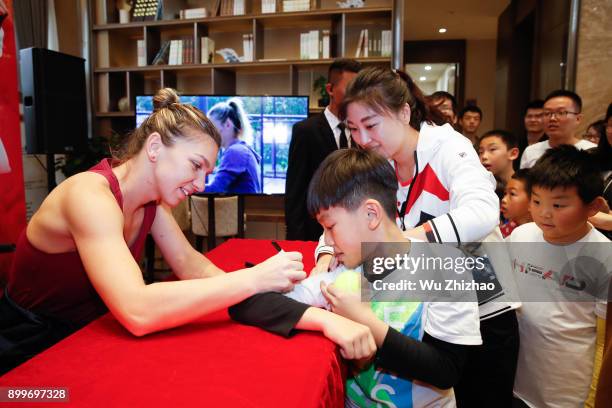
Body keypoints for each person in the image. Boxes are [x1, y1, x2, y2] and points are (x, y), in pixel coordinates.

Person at [0, 88, 311, 374]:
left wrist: (269, 294)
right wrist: (253, 278)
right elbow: (138, 310)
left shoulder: (153, 203)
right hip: (30, 345)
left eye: (207, 173)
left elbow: (193, 265)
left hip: (87, 333)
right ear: (154, 147)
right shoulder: (88, 196)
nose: (202, 184)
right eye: (195, 165)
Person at [311, 67, 519, 407]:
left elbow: (483, 210)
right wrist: (324, 258)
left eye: (371, 125)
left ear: (404, 112)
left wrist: (403, 242)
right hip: (422, 312)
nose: (363, 139)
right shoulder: (381, 162)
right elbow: (341, 213)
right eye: (353, 129)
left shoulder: (448, 147)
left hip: (481, 308)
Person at [236, 148, 482, 407]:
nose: (327, 242)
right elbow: (250, 301)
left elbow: (445, 370)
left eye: (330, 227)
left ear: (371, 214)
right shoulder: (345, 272)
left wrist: (364, 320)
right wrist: (325, 319)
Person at [508, 145, 610, 408]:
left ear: (593, 207)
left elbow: (604, 343)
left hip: (568, 395)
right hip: (516, 383)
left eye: (558, 205)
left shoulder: (604, 257)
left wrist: (593, 401)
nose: (544, 213)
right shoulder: (521, 236)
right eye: (537, 201)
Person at [285, 58, 361, 241]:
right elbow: (295, 191)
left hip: (356, 232)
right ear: (330, 89)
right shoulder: (305, 131)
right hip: (316, 233)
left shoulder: (362, 130)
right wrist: (296, 240)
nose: (356, 95)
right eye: (350, 88)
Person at [520, 90, 596, 169]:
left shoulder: (592, 151)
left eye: (561, 113)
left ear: (578, 119)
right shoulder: (530, 151)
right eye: (547, 113)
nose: (552, 118)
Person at [205, 97, 261, 193]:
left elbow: (214, 189)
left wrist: (187, 187)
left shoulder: (235, 152)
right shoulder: (243, 149)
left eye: (212, 128)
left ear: (227, 124)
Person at [499, 169, 531, 238]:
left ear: (532, 201)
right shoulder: (503, 231)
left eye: (512, 194)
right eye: (505, 193)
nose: (504, 200)